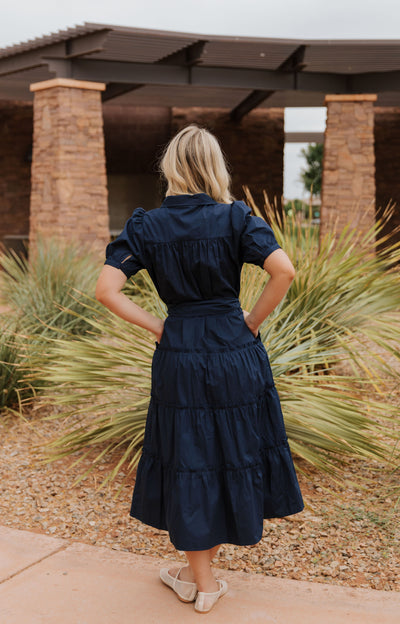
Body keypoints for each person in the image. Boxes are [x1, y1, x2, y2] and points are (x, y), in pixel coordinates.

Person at [95, 124, 304, 614]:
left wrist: (159, 326)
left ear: (171, 167)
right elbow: (284, 271)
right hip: (235, 347)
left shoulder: (147, 226)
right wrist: (251, 321)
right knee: (229, 450)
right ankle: (202, 579)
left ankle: (198, 577)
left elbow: (106, 291)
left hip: (181, 350)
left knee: (191, 454)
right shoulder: (236, 218)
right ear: (214, 167)